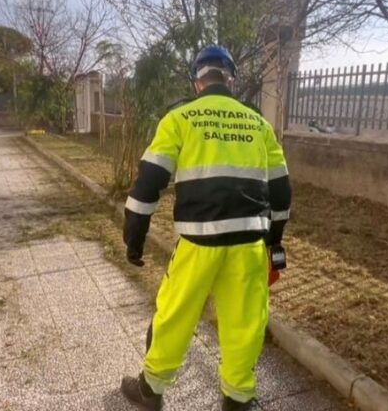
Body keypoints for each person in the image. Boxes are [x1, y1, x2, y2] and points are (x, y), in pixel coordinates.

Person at [119, 45, 292, 411]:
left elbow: (148, 183)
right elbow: (281, 190)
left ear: (197, 82)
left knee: (174, 313)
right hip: (248, 242)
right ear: (231, 80)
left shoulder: (180, 119)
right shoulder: (258, 124)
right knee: (245, 320)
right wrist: (274, 242)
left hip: (198, 242)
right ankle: (238, 398)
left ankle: (151, 391)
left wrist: (135, 239)